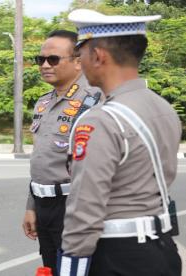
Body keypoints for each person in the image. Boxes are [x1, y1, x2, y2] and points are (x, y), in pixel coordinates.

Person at [57, 9, 182, 276]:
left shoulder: (100, 120)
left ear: (98, 56)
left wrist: (70, 268)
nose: (81, 64)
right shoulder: (163, 108)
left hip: (118, 256)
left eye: (81, 56)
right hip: (162, 249)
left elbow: (84, 210)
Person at [21, 30, 101, 275]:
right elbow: (42, 160)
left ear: (78, 61)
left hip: (75, 205)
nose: (44, 65)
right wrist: (32, 206)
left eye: (53, 59)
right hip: (44, 204)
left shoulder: (96, 100)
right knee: (52, 269)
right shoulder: (43, 102)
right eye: (40, 60)